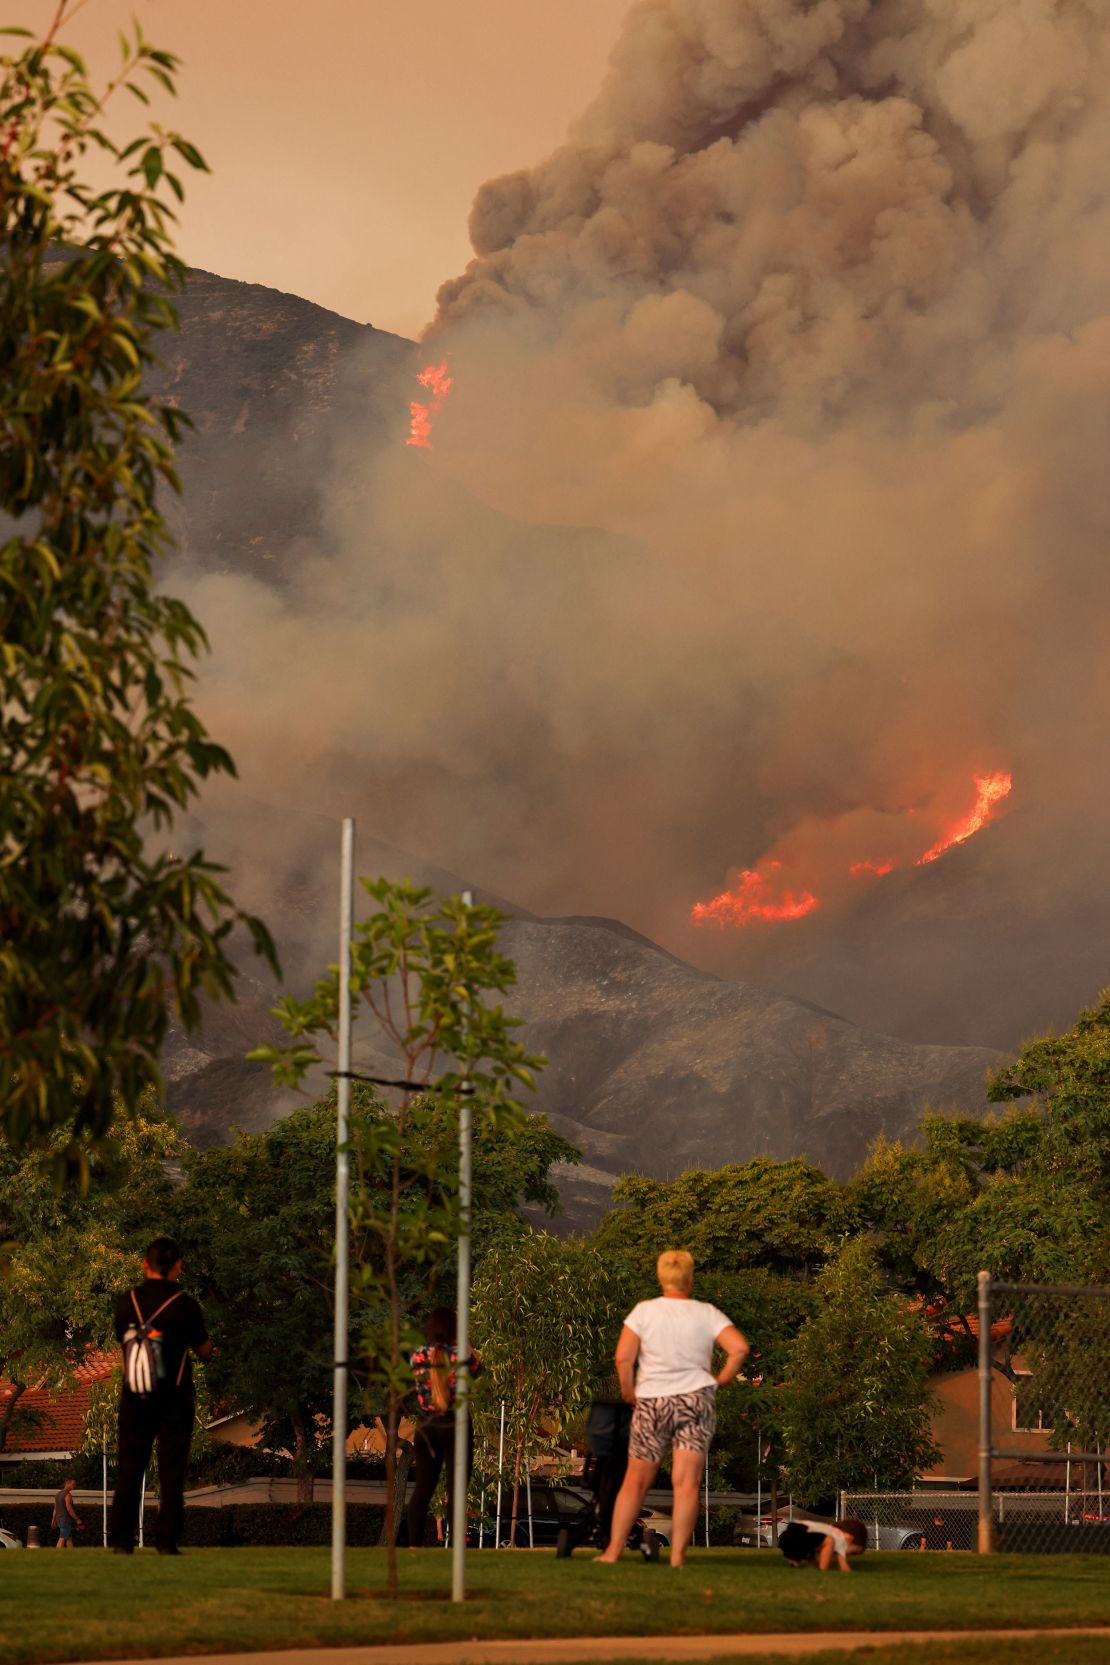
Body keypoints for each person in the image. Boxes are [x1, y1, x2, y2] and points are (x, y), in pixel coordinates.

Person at [597, 1249, 748, 1567]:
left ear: (661, 1277)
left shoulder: (644, 1311)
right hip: (695, 1399)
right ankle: (678, 1556)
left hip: (653, 1401)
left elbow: (623, 1357)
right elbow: (739, 1348)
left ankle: (612, 1553)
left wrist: (629, 1392)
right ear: (689, 1279)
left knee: (636, 1481)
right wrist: (720, 1380)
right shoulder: (706, 1313)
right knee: (687, 1482)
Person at [109, 1236, 214, 1555]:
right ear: (178, 1267)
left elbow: (122, 1341)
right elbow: (204, 1349)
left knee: (129, 1467)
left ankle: (122, 1542)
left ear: (145, 1264)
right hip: (175, 1398)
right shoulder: (185, 1305)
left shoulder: (127, 1302)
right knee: (171, 1470)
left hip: (134, 1395)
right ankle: (167, 1542)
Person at [406, 1308, 480, 1548]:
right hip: (455, 1424)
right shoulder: (461, 1355)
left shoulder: (418, 1356)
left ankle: (413, 1547)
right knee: (456, 1490)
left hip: (426, 1426)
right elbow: (478, 1372)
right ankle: (458, 1548)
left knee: (423, 1490)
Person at [778, 1516, 868, 1571]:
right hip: (798, 1534)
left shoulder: (828, 1530)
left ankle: (795, 1562)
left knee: (813, 1548)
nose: (848, 1555)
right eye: (852, 1552)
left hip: (787, 1537)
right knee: (829, 1541)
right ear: (849, 1538)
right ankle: (822, 1571)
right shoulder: (840, 1538)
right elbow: (843, 1566)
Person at [51, 1478, 84, 1549]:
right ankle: (55, 1556)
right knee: (62, 1538)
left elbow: (55, 1509)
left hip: (59, 1520)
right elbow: (69, 1508)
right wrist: (77, 1519)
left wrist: (53, 1520)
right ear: (67, 1483)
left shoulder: (58, 1494)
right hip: (65, 1520)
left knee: (69, 1538)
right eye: (73, 1484)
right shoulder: (67, 1495)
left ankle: (71, 1555)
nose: (74, 1486)